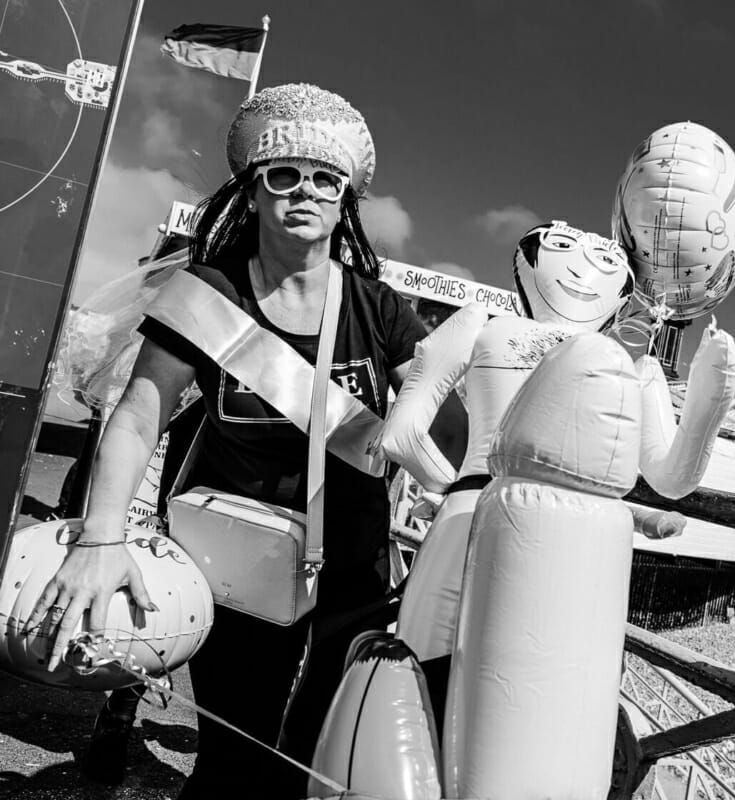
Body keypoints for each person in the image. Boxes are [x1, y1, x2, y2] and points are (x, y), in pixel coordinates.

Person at [26, 82, 431, 798]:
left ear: (346, 201)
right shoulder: (210, 293)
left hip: (352, 573)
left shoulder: (380, 308)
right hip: (236, 559)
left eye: (325, 180)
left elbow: (453, 426)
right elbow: (137, 414)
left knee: (315, 750)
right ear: (253, 191)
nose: (303, 192)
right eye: (283, 175)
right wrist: (100, 539)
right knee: (234, 755)